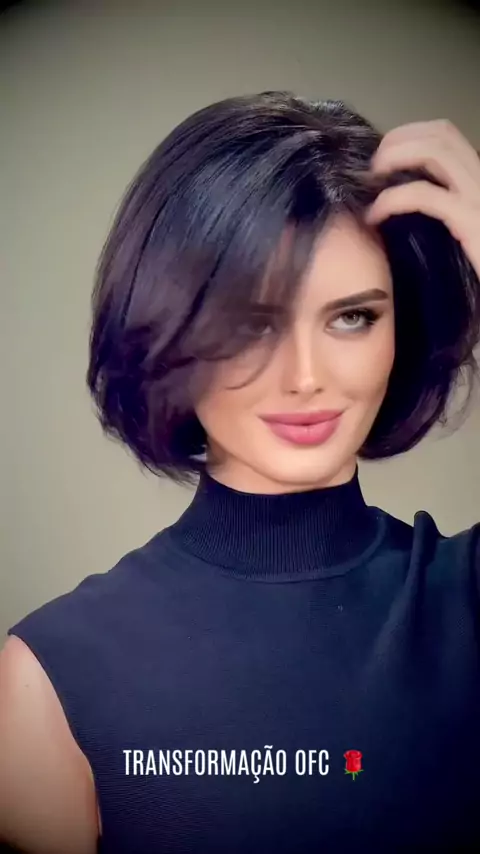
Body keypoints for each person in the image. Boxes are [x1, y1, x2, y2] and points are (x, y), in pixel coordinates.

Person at [0, 91, 479, 854]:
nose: (307, 376)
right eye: (252, 324)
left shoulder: (466, 602)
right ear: (165, 328)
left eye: (352, 317)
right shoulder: (51, 677)